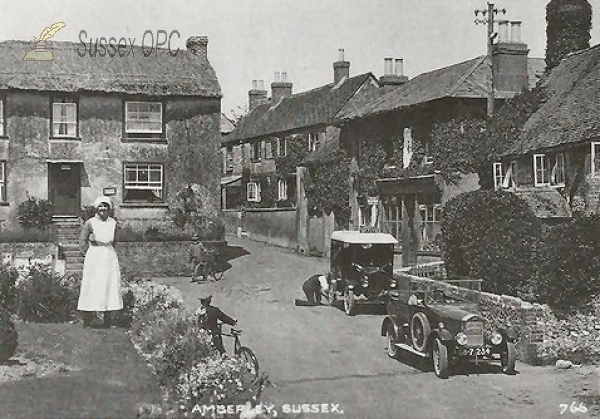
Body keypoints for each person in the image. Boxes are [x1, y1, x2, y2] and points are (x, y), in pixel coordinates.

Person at [78, 196, 123, 328]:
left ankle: (107, 320)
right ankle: (87, 320)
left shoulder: (113, 223)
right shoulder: (90, 223)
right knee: (92, 285)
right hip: (94, 256)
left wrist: (107, 252)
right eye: (101, 206)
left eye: (106, 206)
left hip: (108, 256)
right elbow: (82, 241)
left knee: (109, 285)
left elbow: (115, 241)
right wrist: (89, 254)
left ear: (109, 209)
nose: (103, 209)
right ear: (96, 208)